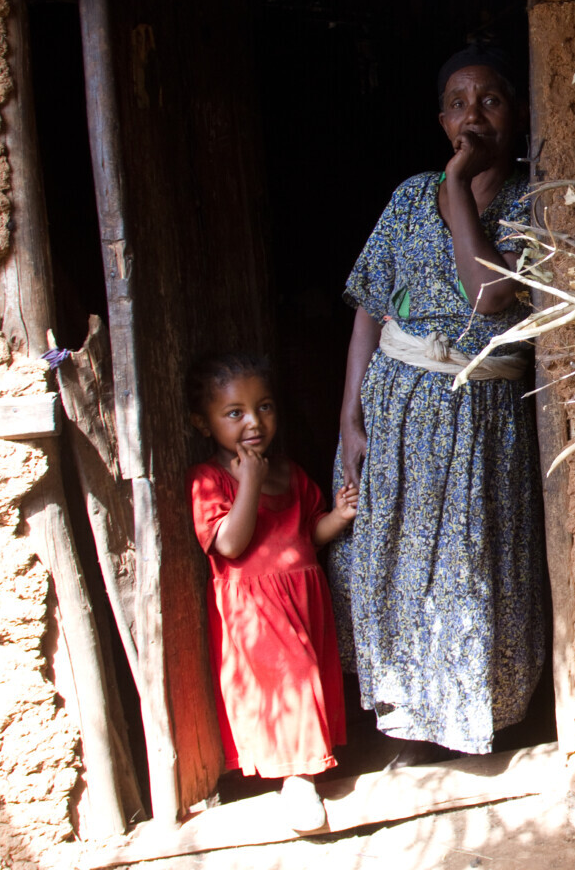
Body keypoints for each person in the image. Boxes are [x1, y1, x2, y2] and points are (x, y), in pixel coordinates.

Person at [329, 43, 547, 759]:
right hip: (396, 408)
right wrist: (350, 417)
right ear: (440, 118)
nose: (472, 115)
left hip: (481, 418)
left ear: (517, 112)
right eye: (457, 102)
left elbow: (489, 297)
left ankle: (473, 715)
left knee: (470, 567)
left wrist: (457, 189)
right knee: (395, 562)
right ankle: (405, 717)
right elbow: (369, 306)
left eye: (489, 100)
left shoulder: (533, 203)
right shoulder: (407, 194)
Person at [186, 352, 355, 832]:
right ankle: (299, 782)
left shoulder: (292, 473)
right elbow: (231, 544)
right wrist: (250, 483)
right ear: (204, 423)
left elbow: (307, 536)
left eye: (264, 407)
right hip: (254, 607)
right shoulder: (208, 480)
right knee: (290, 682)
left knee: (306, 680)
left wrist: (337, 518)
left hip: (303, 598)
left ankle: (295, 770)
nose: (254, 422)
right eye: (234, 412)